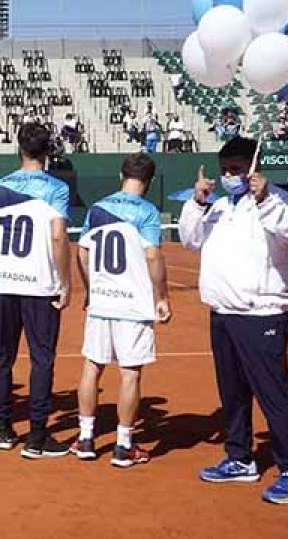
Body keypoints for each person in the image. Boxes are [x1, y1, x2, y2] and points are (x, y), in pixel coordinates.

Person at [179, 136, 288, 504]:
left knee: (274, 395)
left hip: (261, 315)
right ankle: (239, 458)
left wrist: (266, 199)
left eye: (236, 170)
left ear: (253, 169)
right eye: (224, 170)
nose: (228, 176)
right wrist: (196, 201)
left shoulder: (276, 201)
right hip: (222, 314)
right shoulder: (220, 205)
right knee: (233, 395)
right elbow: (190, 240)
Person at [0, 122, 72, 458]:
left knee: (3, 356)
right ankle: (37, 436)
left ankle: (3, 428)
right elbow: (59, 237)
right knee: (41, 359)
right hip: (40, 285)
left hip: (7, 284)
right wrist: (66, 282)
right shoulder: (56, 188)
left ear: (20, 149)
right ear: (48, 152)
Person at [71, 153, 172, 468]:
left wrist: (91, 289)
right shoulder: (147, 211)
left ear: (121, 175)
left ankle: (85, 438)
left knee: (92, 366)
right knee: (130, 373)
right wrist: (163, 295)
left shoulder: (99, 208)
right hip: (132, 304)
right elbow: (153, 256)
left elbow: (83, 252)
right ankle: (124, 444)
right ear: (150, 180)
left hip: (102, 302)